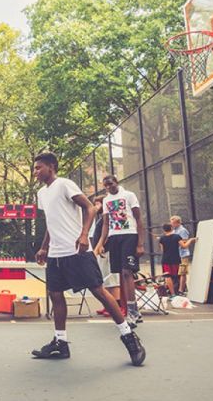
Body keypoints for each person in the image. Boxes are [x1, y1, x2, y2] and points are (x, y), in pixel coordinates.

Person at [31, 152, 145, 367]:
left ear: (51, 167)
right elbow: (51, 222)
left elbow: (90, 207)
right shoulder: (41, 193)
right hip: (56, 253)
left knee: (98, 292)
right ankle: (61, 343)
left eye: (39, 168)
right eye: (35, 168)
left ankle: (129, 337)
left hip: (77, 251)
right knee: (55, 295)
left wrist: (84, 235)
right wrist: (44, 247)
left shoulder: (64, 184)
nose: (35, 172)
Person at [93, 175, 146, 325]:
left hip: (129, 236)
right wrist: (101, 243)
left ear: (116, 182)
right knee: (121, 275)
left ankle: (133, 312)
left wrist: (140, 243)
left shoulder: (129, 195)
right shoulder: (107, 200)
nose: (108, 187)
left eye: (110, 184)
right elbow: (105, 224)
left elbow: (138, 219)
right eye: (105, 186)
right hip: (114, 238)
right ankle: (133, 310)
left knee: (127, 272)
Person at [91, 196, 120, 317]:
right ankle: (108, 305)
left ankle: (117, 307)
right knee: (104, 280)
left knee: (112, 280)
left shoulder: (108, 217)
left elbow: (108, 232)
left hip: (107, 251)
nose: (96, 206)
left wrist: (102, 245)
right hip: (101, 252)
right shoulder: (101, 217)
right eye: (95, 203)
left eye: (99, 203)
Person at [156, 223, 197, 294]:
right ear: (171, 228)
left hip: (165, 259)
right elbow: (184, 246)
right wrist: (190, 240)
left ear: (164, 230)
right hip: (175, 259)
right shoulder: (176, 237)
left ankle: (172, 293)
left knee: (167, 276)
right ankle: (180, 290)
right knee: (178, 274)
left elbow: (162, 250)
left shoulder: (161, 238)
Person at [170, 215, 193, 294]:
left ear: (178, 223)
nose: (171, 225)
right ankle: (179, 288)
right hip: (176, 255)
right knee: (177, 273)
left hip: (183, 255)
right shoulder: (174, 231)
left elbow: (184, 242)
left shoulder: (182, 230)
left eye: (173, 223)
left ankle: (181, 290)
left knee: (182, 272)